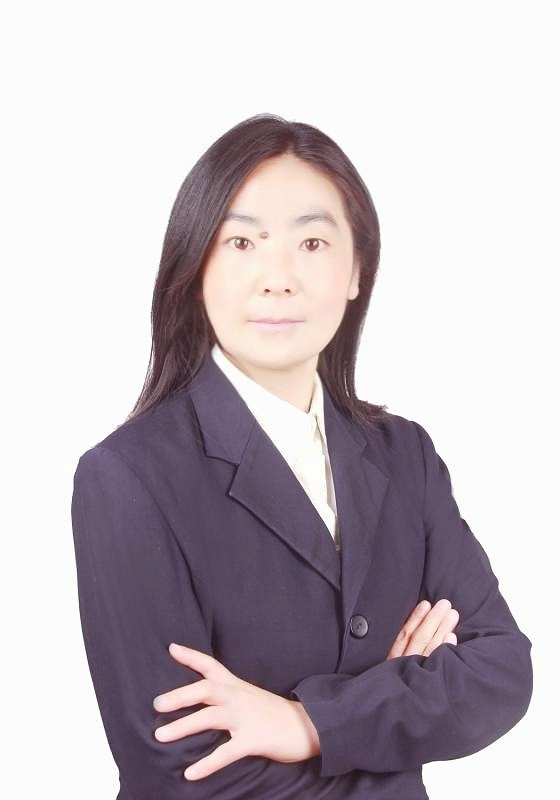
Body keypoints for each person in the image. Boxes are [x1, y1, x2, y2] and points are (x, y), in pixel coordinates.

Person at [71, 113, 532, 799]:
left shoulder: (405, 456)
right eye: (242, 242)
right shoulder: (128, 478)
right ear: (196, 269)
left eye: (312, 242)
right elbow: (184, 774)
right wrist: (394, 720)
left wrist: (307, 723)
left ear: (357, 270)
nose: (278, 278)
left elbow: (501, 672)